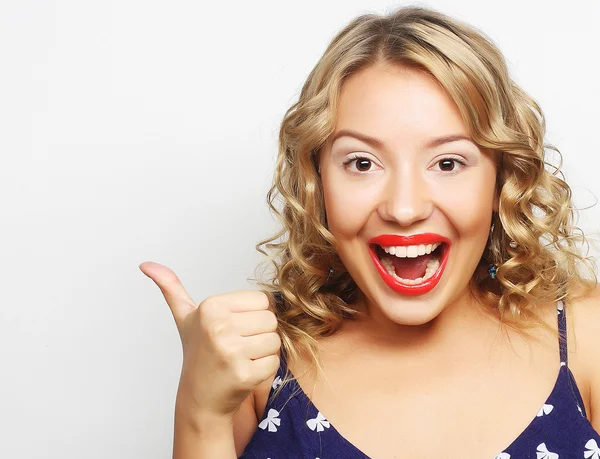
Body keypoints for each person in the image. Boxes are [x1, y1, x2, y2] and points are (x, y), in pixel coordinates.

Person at [139, 5, 600, 458]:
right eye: (362, 163)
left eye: (448, 162)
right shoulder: (255, 363)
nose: (403, 208)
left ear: (502, 178)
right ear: (315, 180)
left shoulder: (587, 337)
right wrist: (200, 409)